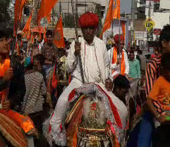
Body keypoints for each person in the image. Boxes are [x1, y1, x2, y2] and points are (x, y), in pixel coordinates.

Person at [50, 12, 127, 146]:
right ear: (82, 30)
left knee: (123, 110)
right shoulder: (76, 43)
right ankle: (56, 138)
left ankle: (120, 140)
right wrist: (74, 53)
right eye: (86, 28)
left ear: (95, 29)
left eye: (91, 28)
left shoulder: (102, 44)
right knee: (61, 102)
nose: (89, 31)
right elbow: (68, 68)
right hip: (78, 83)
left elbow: (107, 66)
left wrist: (108, 79)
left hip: (98, 84)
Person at [138, 25, 170, 147]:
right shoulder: (152, 65)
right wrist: (160, 115)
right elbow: (150, 96)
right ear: (164, 43)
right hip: (155, 113)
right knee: (142, 143)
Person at [21, 56, 47, 147]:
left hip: (26, 111)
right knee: (39, 133)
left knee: (29, 137)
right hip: (38, 109)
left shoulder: (23, 78)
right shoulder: (39, 75)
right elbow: (44, 91)